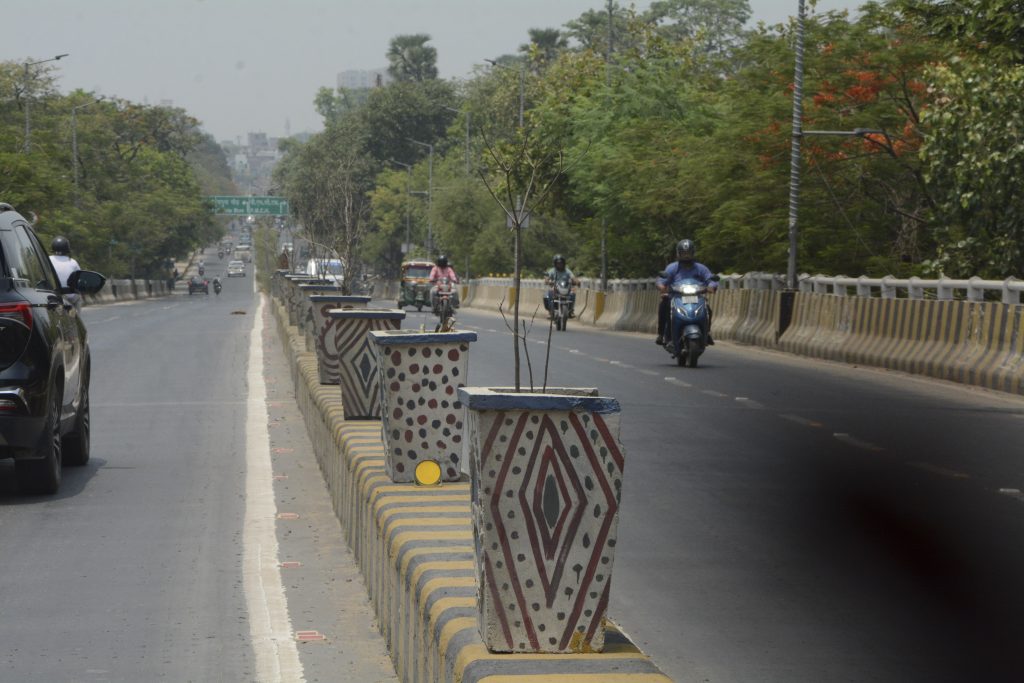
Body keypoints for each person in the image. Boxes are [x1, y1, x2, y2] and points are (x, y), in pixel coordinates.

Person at [655, 239, 717, 346]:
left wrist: (711, 286)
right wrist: (662, 287)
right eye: (683, 253)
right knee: (664, 305)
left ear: (693, 253)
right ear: (678, 253)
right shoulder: (672, 268)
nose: (686, 256)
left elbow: (711, 279)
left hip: (696, 297)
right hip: (676, 297)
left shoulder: (700, 268)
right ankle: (662, 335)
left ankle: (706, 333)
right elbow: (661, 280)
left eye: (688, 253)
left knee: (708, 310)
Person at [49, 236, 83, 308]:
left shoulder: (48, 260)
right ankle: (76, 317)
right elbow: (80, 279)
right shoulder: (73, 262)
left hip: (54, 296)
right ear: (67, 248)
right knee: (78, 298)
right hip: (71, 297)